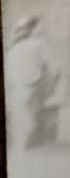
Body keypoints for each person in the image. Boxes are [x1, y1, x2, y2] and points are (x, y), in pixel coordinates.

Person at [5, 15, 53, 153]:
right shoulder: (37, 44)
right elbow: (48, 65)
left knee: (21, 116)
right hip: (31, 85)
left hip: (17, 86)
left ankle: (22, 145)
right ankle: (26, 143)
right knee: (30, 116)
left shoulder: (13, 49)